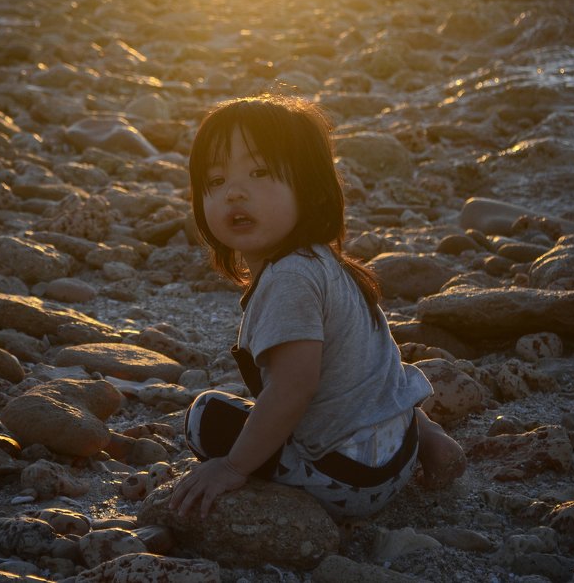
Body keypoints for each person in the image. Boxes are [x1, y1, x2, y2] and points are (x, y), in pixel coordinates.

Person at [169, 94, 465, 519]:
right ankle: (430, 438)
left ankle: (332, 476)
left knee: (206, 417)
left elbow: (294, 389)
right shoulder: (328, 264)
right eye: (215, 181)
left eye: (259, 173)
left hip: (353, 479)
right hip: (399, 447)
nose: (234, 192)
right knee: (352, 372)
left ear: (309, 187)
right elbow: (374, 368)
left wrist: (232, 468)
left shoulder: (289, 278)